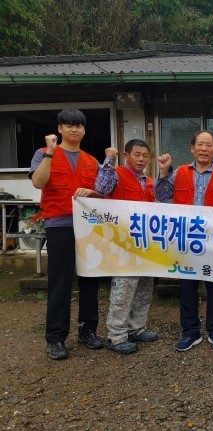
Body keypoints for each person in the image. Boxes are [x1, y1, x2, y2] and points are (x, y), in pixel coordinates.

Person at [29, 109, 103, 360]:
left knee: (90, 279)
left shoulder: (91, 161)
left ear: (84, 130)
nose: (74, 129)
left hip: (89, 226)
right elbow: (38, 182)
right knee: (60, 282)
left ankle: (88, 330)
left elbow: (103, 193)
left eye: (78, 125)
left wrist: (93, 193)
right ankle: (55, 338)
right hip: (59, 225)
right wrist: (50, 152)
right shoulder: (43, 153)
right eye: (69, 125)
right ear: (59, 129)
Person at [156, 130, 213, 351]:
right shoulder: (179, 172)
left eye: (208, 145)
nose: (204, 149)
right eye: (200, 144)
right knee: (187, 287)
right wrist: (163, 172)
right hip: (186, 240)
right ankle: (190, 331)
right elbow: (161, 196)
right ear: (192, 148)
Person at [95, 139, 158, 354]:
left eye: (145, 155)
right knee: (123, 289)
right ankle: (116, 335)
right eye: (136, 154)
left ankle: (136, 328)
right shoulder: (116, 174)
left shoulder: (149, 182)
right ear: (126, 155)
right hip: (122, 244)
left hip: (145, 244)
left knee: (144, 288)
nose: (141, 159)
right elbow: (101, 188)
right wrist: (109, 160)